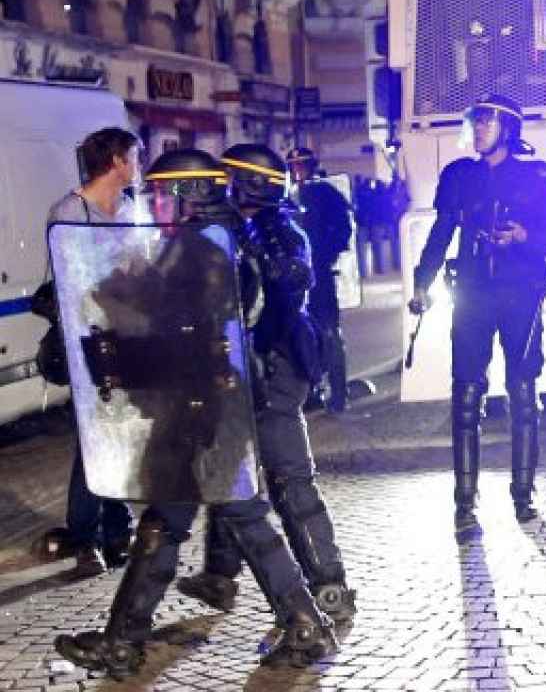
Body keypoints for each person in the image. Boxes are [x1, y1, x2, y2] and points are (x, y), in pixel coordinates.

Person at [53, 149, 334, 676]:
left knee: (238, 518)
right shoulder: (202, 241)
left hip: (209, 409)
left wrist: (116, 306)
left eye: (163, 190)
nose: (153, 200)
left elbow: (177, 320)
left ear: (191, 191)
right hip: (199, 406)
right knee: (167, 522)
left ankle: (303, 623)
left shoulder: (207, 247)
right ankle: (123, 641)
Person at [175, 145, 355, 625]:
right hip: (240, 365)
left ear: (251, 184)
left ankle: (329, 583)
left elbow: (289, 278)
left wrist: (244, 236)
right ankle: (219, 572)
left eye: (231, 180)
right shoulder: (229, 226)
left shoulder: (280, 228)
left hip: (275, 365)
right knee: (230, 469)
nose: (222, 190)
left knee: (287, 477)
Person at [408, 94, 546, 538]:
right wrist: (423, 283)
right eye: (475, 122)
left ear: (508, 129)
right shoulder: (459, 176)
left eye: (487, 123)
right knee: (465, 394)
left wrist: (524, 235)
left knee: (522, 392)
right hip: (474, 295)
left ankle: (523, 494)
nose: (478, 130)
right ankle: (464, 503)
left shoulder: (537, 177)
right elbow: (441, 233)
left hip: (520, 296)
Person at [42, 128, 140, 577]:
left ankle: (114, 530)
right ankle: (88, 536)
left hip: (127, 337)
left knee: (117, 432)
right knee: (96, 436)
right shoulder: (69, 211)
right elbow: (68, 282)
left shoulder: (130, 209)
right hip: (86, 340)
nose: (137, 165)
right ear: (117, 161)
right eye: (133, 157)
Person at [284, 146, 355, 413]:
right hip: (292, 279)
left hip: (319, 275)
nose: (298, 170)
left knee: (329, 333)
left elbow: (344, 228)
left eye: (302, 164)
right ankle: (312, 392)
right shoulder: (286, 197)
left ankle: (339, 393)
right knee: (302, 335)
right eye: (293, 165)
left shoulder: (325, 193)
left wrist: (325, 255)